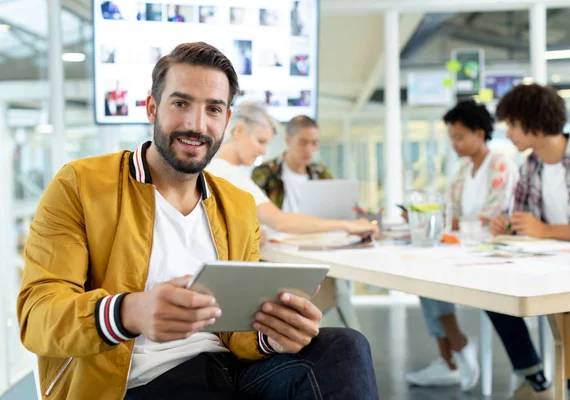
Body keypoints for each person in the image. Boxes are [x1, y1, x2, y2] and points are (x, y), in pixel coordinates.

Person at [17, 42, 378, 400]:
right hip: (139, 383)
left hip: (232, 371)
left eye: (213, 109)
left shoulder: (236, 205)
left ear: (226, 120)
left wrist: (273, 333)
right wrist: (128, 312)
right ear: (152, 108)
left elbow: (236, 329)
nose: (196, 123)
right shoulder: (80, 185)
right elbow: (37, 316)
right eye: (181, 103)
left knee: (346, 346)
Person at [488, 84, 570, 400]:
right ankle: (533, 375)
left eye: (512, 124)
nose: (508, 133)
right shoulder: (531, 166)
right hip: (549, 263)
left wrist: (544, 230)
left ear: (534, 122)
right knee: (494, 291)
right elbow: (524, 219)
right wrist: (508, 224)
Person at [406, 100, 518, 391]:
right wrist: (425, 215)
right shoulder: (460, 170)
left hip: (493, 251)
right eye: (451, 138)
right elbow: (449, 212)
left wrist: (452, 221)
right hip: (462, 247)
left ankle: (456, 349)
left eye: (459, 137)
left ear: (479, 134)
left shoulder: (501, 164)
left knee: (431, 276)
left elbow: (495, 215)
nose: (454, 144)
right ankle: (451, 356)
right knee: (424, 274)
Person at [206, 101, 379, 238]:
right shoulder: (227, 174)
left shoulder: (216, 168)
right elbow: (280, 222)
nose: (264, 151)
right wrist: (347, 225)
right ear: (239, 131)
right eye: (260, 141)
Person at [251, 115, 329, 212]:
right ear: (288, 140)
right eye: (303, 142)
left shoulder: (321, 174)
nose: (309, 149)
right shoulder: (265, 172)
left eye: (314, 143)